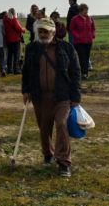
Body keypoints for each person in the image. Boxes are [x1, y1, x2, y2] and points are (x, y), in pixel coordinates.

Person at [21, 17, 81, 177]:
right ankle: (48, 155)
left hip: (62, 95)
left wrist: (76, 98)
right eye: (39, 31)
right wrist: (25, 90)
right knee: (44, 127)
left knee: (62, 124)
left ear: (53, 32)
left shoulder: (66, 48)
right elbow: (26, 71)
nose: (42, 34)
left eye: (45, 31)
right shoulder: (32, 48)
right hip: (40, 95)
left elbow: (75, 72)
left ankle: (64, 163)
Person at [68, 4, 96, 80]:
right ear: (80, 11)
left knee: (87, 57)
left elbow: (93, 28)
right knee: (82, 57)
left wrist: (93, 35)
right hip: (79, 42)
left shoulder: (90, 19)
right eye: (85, 10)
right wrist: (77, 36)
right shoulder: (75, 19)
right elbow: (72, 29)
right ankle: (84, 73)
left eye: (87, 10)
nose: (86, 12)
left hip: (89, 41)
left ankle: (86, 73)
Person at [3, 8, 26, 75]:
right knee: (16, 55)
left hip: (8, 39)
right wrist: (24, 29)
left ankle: (9, 69)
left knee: (9, 55)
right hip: (15, 39)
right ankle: (16, 69)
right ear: (14, 13)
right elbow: (19, 29)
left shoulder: (5, 20)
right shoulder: (14, 20)